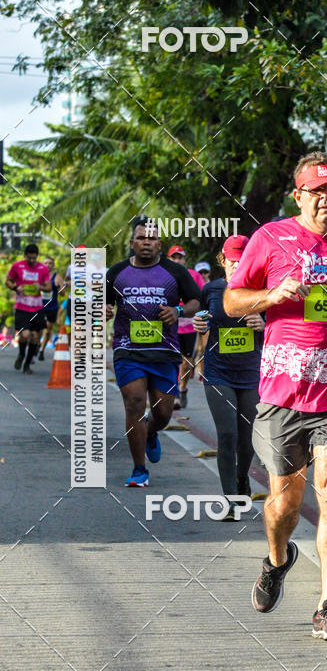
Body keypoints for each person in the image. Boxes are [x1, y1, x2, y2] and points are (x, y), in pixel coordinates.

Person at [224, 151, 327, 641]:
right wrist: (271, 296)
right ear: (298, 195)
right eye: (316, 191)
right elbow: (234, 300)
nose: (326, 198)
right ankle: (278, 559)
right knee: (285, 505)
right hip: (282, 390)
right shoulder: (270, 237)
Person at [106, 217, 202, 487]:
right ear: (131, 242)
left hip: (164, 351)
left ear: (159, 243)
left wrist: (179, 311)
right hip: (128, 349)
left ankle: (150, 432)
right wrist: (104, 309)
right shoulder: (117, 272)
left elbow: (197, 300)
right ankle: (139, 470)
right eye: (140, 238)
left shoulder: (175, 272)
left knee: (163, 413)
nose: (146, 242)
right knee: (134, 403)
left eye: (151, 238)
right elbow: (102, 301)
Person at [193, 235, 264, 520]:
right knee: (227, 434)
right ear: (222, 260)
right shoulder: (211, 289)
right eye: (231, 260)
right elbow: (202, 317)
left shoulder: (264, 290)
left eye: (242, 259)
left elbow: (281, 326)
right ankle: (230, 499)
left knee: (247, 441)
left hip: (251, 373)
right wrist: (199, 323)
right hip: (218, 371)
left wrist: (263, 323)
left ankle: (242, 478)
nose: (237, 265)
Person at [167, 245, 205, 409]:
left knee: (187, 361)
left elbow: (203, 297)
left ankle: (182, 388)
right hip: (170, 325)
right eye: (174, 257)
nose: (177, 260)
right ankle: (174, 394)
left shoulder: (194, 275)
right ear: (169, 259)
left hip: (189, 326)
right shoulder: (163, 275)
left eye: (180, 257)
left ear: (185, 259)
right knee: (173, 360)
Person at [5, 243, 51, 374]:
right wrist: (16, 288)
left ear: (37, 257)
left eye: (34, 258)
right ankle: (21, 354)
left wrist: (40, 287)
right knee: (25, 335)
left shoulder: (42, 268)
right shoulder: (17, 266)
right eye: (29, 258)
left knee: (36, 336)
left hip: (37, 307)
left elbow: (48, 287)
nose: (32, 261)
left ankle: (27, 364)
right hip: (22, 307)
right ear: (25, 256)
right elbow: (8, 281)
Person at [39, 256, 65, 361]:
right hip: (39, 306)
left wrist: (59, 287)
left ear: (53, 265)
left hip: (52, 307)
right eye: (46, 263)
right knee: (38, 328)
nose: (48, 265)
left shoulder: (57, 277)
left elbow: (63, 293)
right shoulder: (39, 275)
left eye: (50, 263)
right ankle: (36, 345)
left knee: (48, 330)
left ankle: (41, 350)